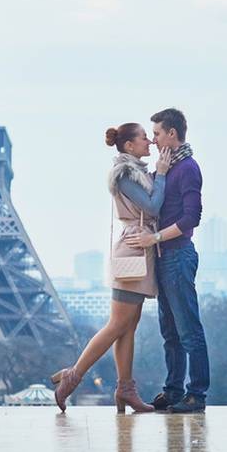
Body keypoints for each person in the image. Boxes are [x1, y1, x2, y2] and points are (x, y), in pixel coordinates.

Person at [51, 123, 170, 413]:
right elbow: (152, 208)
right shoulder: (126, 175)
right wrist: (163, 174)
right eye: (144, 138)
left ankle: (125, 389)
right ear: (129, 146)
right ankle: (73, 376)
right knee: (118, 324)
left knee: (129, 325)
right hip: (133, 248)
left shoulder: (135, 171)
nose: (149, 143)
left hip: (139, 249)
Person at [125, 108, 209, 413]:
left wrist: (154, 238)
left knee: (188, 330)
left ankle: (196, 395)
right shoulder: (168, 167)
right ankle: (174, 391)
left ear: (171, 134)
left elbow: (191, 219)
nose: (153, 138)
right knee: (170, 332)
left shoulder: (187, 168)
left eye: (157, 133)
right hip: (164, 258)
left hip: (177, 255)